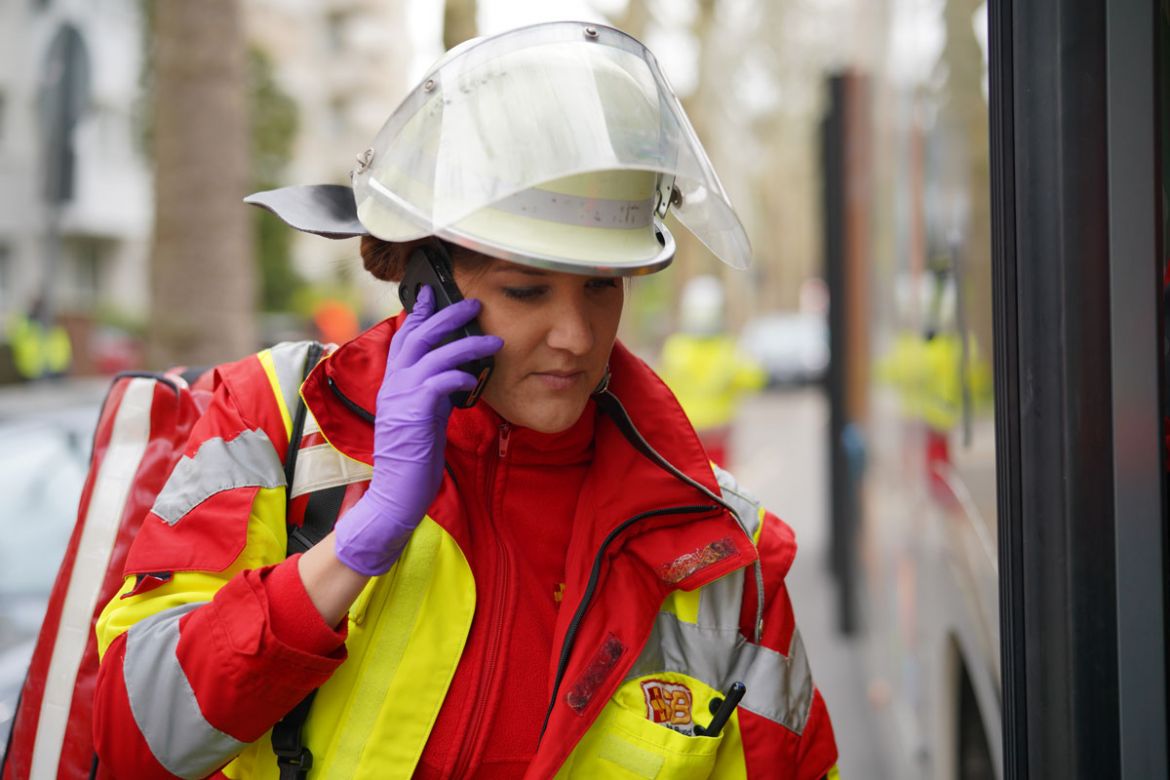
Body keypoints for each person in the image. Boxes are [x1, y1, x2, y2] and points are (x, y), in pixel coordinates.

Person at [93, 23, 838, 779]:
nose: (577, 336)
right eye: (526, 290)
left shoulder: (725, 547)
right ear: (426, 281)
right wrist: (356, 546)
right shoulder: (267, 416)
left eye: (601, 287)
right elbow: (136, 740)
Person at [658, 275, 766, 467]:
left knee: (690, 489)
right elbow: (756, 379)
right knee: (719, 490)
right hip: (717, 435)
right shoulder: (727, 350)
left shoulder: (674, 348)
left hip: (686, 435)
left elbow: (658, 389)